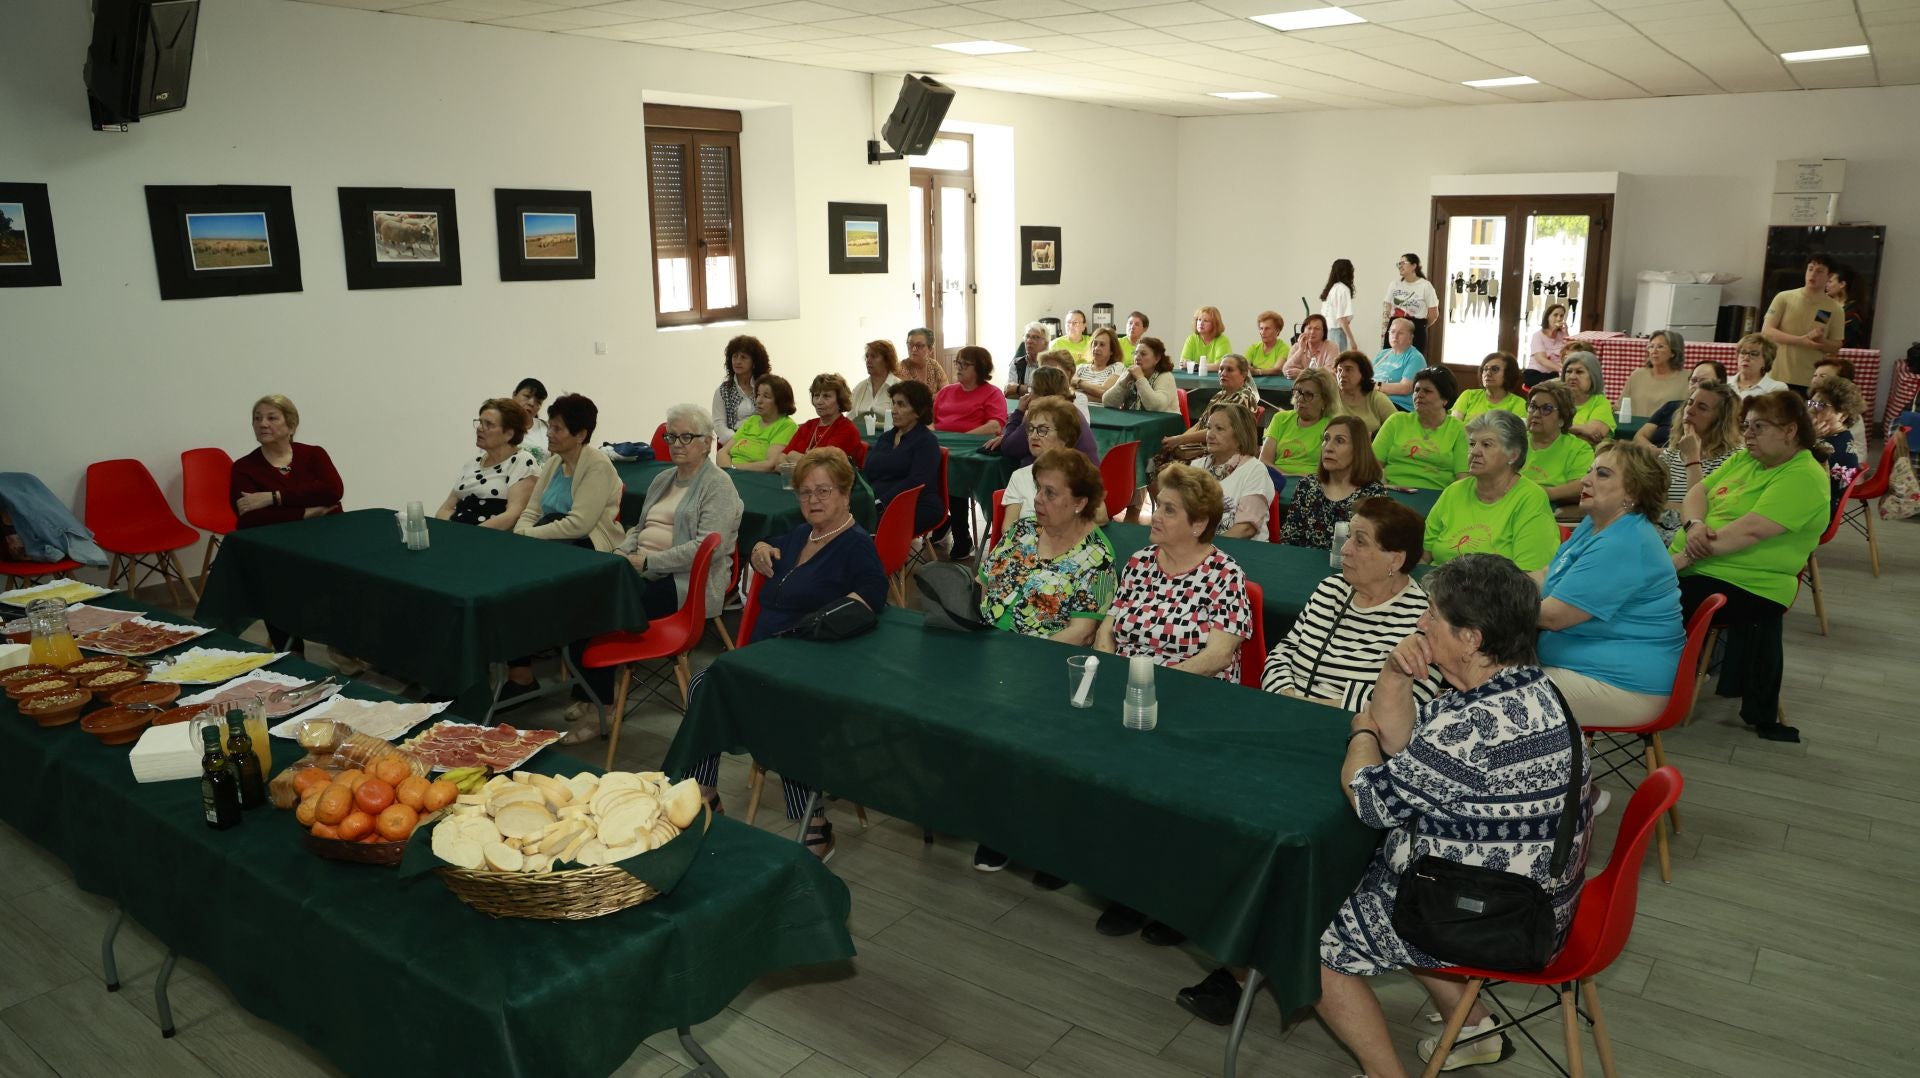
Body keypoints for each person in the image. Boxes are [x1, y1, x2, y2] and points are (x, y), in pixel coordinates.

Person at [1313, 555, 1593, 1078]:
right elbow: (1410, 748)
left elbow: (1371, 799)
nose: (1420, 623)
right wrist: (1394, 672)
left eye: (1433, 616)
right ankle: (1473, 1029)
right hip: (1539, 896)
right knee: (1372, 883)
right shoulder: (1531, 690)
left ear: (1470, 638)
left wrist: (1360, 733)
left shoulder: (1476, 727)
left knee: (1308, 937)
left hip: (1495, 917)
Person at [691, 447, 888, 860]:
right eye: (804, 492)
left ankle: (813, 817)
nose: (813, 500)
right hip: (763, 656)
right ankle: (705, 792)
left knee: (786, 708)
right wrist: (762, 545)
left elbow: (870, 603)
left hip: (812, 665)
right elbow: (774, 546)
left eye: (824, 491)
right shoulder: (802, 534)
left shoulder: (856, 547)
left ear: (846, 493)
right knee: (702, 683)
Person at [569, 403, 743, 744]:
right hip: (638, 569)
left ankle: (599, 701)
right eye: (671, 436)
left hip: (683, 585)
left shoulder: (718, 486)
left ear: (707, 442)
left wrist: (649, 563)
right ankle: (592, 691)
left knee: (599, 610)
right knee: (581, 600)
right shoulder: (663, 478)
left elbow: (705, 549)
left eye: (686, 437)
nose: (676, 443)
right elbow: (639, 527)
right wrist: (620, 554)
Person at [1670, 391, 1832, 742]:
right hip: (1702, 565)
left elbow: (1747, 533)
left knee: (1651, 600)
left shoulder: (1804, 476)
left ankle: (1647, 688)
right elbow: (1696, 494)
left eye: (1758, 426)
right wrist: (1693, 525)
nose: (1748, 435)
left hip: (1750, 585)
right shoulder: (1747, 459)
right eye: (1746, 426)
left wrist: (1681, 558)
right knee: (1631, 577)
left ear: (1790, 431)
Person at [1538, 441, 1684, 729]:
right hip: (1587, 665)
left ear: (1633, 492)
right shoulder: (1596, 525)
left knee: (1490, 692)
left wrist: (1489, 603)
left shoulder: (1624, 542)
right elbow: (1548, 576)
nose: (1586, 480)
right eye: (1590, 470)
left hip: (1626, 686)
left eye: (1602, 474)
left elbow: (1554, 616)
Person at [1262, 497, 1439, 710]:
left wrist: (1311, 706)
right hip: (1284, 708)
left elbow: (1409, 703)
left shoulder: (1425, 620)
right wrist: (1285, 693)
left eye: (1360, 541)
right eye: (1348, 537)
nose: (1345, 548)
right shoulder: (1330, 589)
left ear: (1395, 560)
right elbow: (1283, 652)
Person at [504, 393, 623, 699]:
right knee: (509, 587)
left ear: (580, 434)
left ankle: (526, 667)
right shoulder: (555, 462)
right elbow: (532, 509)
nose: (550, 435)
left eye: (557, 429)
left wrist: (529, 537)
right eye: (551, 427)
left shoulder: (597, 465)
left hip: (590, 548)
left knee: (526, 590)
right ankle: (520, 670)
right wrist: (521, 533)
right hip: (552, 543)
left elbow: (579, 524)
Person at [1096, 462, 1253, 681]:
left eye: (1169, 510)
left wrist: (1150, 682)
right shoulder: (1140, 562)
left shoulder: (1225, 575)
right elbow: (1106, 631)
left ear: (1198, 523)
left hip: (1189, 686)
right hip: (1126, 681)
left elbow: (1219, 656)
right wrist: (1110, 673)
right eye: (1159, 505)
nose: (1156, 515)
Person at [230, 393, 345, 654]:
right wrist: (305, 512)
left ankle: (346, 649)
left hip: (326, 541)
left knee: (358, 579)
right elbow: (249, 519)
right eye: (257, 418)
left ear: (291, 426)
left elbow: (333, 491)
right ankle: (292, 654)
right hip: (278, 548)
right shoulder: (244, 468)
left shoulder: (313, 455)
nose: (262, 424)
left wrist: (273, 498)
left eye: (272, 418)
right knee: (275, 586)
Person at [980, 447, 1116, 643]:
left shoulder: (1097, 558)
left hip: (1038, 654)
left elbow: (1082, 634)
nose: (1037, 498)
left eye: (1050, 493)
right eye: (1038, 488)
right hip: (983, 637)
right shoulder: (1022, 530)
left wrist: (1025, 656)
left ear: (1079, 503)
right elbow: (983, 584)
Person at [1423, 411, 1561, 571]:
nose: (1474, 452)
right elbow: (1424, 556)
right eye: (1472, 444)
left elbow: (1529, 577)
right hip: (1436, 587)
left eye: (1486, 445)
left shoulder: (1530, 498)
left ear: (1513, 455)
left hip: (1495, 593)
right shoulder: (1453, 491)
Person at [1280, 415, 1388, 550]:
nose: (1328, 447)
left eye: (1340, 441)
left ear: (1358, 449)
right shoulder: (1307, 486)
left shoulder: (1373, 494)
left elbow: (1374, 549)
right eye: (1326, 439)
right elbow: (1288, 541)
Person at [1655, 379, 1741, 539]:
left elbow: (1708, 511)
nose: (1690, 411)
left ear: (1720, 419)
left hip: (1697, 537)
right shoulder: (1672, 452)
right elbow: (1650, 503)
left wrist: (1692, 458)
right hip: (1660, 529)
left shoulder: (1734, 457)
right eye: (1690, 403)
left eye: (1702, 408)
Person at [434, 397, 537, 529]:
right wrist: (456, 532)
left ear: (509, 434)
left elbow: (514, 515)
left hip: (490, 539)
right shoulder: (473, 463)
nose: (479, 428)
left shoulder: (522, 461)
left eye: (489, 424)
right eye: (480, 422)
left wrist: (471, 535)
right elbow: (445, 509)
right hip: (458, 533)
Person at [1001, 398, 1104, 523]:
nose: (1033, 436)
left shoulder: (1079, 474)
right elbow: (1008, 529)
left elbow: (1101, 516)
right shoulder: (1020, 476)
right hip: (1029, 542)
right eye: (1031, 429)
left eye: (1042, 430)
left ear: (1064, 437)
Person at [864, 380, 944, 536]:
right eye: (893, 403)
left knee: (865, 526)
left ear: (918, 411)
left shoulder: (926, 441)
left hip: (917, 504)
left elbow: (917, 482)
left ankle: (883, 559)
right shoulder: (886, 437)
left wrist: (881, 502)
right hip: (879, 501)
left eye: (901, 405)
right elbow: (869, 468)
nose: (894, 410)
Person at [1152, 354, 1260, 467]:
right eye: (1221, 369)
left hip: (1222, 451)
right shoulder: (1220, 395)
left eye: (1230, 370)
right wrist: (1176, 441)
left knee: (1168, 467)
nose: (1223, 373)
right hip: (1208, 444)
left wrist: (1179, 440)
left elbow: (1218, 432)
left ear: (1243, 375)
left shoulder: (1243, 397)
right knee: (1164, 453)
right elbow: (1201, 423)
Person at [1371, 367, 1468, 490]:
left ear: (1445, 399)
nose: (1419, 395)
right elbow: (1372, 466)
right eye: (1416, 390)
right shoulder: (1396, 421)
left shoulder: (1457, 429)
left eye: (1427, 391)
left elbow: (1463, 477)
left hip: (1437, 497)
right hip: (1394, 492)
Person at [1761, 254, 1844, 392]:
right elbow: (1767, 331)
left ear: (1829, 276)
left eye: (1819, 271)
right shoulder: (1784, 298)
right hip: (1776, 377)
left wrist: (1822, 341)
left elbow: (1836, 346)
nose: (1813, 274)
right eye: (1810, 269)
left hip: (1812, 382)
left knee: (1809, 412)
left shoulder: (1836, 309)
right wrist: (1800, 340)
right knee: (1772, 413)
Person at [1196, 402, 1274, 541]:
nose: (1210, 435)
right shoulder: (1196, 466)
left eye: (1219, 429)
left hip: (1241, 552)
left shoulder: (1254, 470)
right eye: (1209, 428)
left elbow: (1245, 528)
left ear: (1240, 436)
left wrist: (1205, 549)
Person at [997, 367, 1098, 466]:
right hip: (1086, 474)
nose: (1028, 393)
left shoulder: (1044, 413)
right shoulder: (1070, 409)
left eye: (1031, 388)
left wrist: (1018, 412)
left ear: (1039, 391)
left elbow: (1009, 448)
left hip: (1069, 477)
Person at [1519, 378, 1596, 507]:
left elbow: (1583, 484)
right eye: (1533, 406)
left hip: (1551, 508)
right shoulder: (1514, 440)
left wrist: (1547, 493)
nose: (1536, 414)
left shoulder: (1578, 448)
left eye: (1546, 409)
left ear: (1562, 418)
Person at [773, 373, 866, 469]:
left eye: (826, 396)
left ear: (840, 400)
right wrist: (802, 463)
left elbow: (823, 467)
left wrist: (793, 456)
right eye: (816, 395)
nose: (819, 401)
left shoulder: (847, 429)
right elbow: (779, 460)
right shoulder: (808, 426)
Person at [1261, 367, 1336, 477]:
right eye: (1298, 392)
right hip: (1276, 481)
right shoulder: (1280, 418)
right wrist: (1287, 476)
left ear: (1325, 400)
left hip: (1312, 485)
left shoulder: (1333, 426)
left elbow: (1333, 471)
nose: (1300, 399)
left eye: (1308, 394)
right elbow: (1264, 461)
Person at [1633, 360, 1725, 449]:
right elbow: (1640, 436)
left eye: (1704, 381)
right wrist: (1655, 451)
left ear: (1720, 384)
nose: (1696, 385)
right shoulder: (1671, 407)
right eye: (1693, 380)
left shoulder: (1721, 416)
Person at [717, 374, 798, 471]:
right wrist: (728, 468)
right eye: (758, 395)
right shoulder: (752, 420)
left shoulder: (786, 425)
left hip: (755, 477)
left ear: (780, 401)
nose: (759, 400)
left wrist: (733, 468)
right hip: (732, 473)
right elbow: (723, 452)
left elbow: (770, 465)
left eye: (766, 396)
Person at [1809, 377, 1865, 509]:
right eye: (1812, 403)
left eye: (1821, 406)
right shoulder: (1843, 437)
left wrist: (1809, 439)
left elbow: (1784, 462)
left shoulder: (1828, 448)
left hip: (1814, 514)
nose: (1811, 410)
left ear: (1843, 415)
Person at [934, 346, 1008, 437]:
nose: (958, 367)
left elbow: (994, 427)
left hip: (970, 445)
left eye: (965, 364)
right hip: (939, 443)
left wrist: (959, 439)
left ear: (980, 368)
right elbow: (929, 421)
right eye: (957, 363)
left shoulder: (993, 394)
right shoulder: (945, 391)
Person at [711, 335, 769, 446]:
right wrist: (738, 441)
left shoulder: (767, 386)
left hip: (765, 439)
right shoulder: (723, 391)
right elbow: (719, 424)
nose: (737, 361)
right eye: (735, 356)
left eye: (743, 357)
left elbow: (777, 415)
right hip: (734, 443)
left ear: (754, 362)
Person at [1102, 335, 1179, 413]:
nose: (1137, 357)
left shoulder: (1166, 376)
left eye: (1143, 354)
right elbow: (1108, 402)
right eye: (1135, 353)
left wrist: (1140, 378)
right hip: (1132, 422)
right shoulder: (1128, 374)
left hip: (1163, 423)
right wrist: (1124, 382)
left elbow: (1155, 407)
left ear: (1157, 358)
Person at [1381, 252, 1440, 353]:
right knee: (1390, 360)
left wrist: (1419, 326)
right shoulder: (1394, 284)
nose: (1400, 266)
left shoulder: (1425, 286)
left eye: (1403, 263)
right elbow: (1387, 306)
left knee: (1413, 362)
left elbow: (1433, 314)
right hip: (1395, 325)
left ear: (1414, 266)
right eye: (1399, 264)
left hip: (1415, 328)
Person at [1623, 330, 1689, 418]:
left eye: (1660, 347)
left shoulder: (1688, 378)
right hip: (1635, 429)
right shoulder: (1637, 375)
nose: (1654, 351)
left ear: (1673, 352)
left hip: (1668, 430)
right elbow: (1620, 407)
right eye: (1651, 346)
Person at [1450, 351, 1527, 423]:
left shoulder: (1519, 403)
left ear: (1509, 373)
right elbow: (1454, 427)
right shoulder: (1468, 395)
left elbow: (1517, 435)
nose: (1488, 373)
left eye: (1495, 369)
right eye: (1485, 369)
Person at [1333, 351, 1398, 433]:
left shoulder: (1377, 399)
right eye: (1339, 370)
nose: (1342, 375)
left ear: (1363, 374)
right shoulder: (1331, 397)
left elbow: (1398, 427)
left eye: (1348, 370)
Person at [1811, 358, 1869, 449]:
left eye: (1822, 376)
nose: (1814, 380)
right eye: (1815, 375)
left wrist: (1811, 436)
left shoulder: (1847, 411)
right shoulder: (1815, 399)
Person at [1372, 318, 1426, 410]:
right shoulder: (1382, 354)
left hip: (1397, 405)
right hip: (1374, 399)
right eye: (1392, 332)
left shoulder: (1415, 357)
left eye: (1400, 333)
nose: (1395, 336)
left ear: (1410, 338)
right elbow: (1366, 377)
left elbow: (1405, 388)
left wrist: (1375, 386)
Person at [1563, 349, 1614, 442]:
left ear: (1593, 376)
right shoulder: (1557, 399)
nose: (1572, 377)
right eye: (1569, 371)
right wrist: (1581, 429)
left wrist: (1559, 428)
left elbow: (1594, 432)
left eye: (1579, 372)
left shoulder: (1600, 403)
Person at [852, 340, 902, 428]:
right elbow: (850, 418)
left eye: (874, 356)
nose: (868, 361)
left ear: (887, 360)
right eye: (867, 357)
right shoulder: (859, 388)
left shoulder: (900, 387)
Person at [1073, 326, 1127, 399]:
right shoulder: (1080, 368)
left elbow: (1105, 394)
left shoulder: (1118, 367)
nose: (1096, 348)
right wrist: (1095, 395)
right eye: (1094, 344)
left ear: (1112, 350)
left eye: (1102, 345)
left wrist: (1079, 382)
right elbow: (1068, 393)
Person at [1730, 332, 1788, 399]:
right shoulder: (1724, 383)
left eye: (1754, 354)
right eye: (1743, 352)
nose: (1746, 358)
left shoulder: (1776, 388)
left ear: (1766, 360)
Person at [1525, 302, 1571, 386]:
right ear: (1547, 317)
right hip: (1536, 373)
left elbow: (1571, 353)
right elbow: (1541, 359)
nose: (1558, 318)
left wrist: (1566, 334)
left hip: (1555, 373)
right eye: (1555, 315)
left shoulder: (1563, 335)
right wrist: (1562, 369)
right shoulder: (1537, 335)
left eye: (1561, 316)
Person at [1321, 258, 1359, 353]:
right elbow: (1342, 319)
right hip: (1337, 333)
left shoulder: (1330, 289)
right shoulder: (1343, 289)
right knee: (1339, 363)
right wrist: (1352, 340)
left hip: (1326, 332)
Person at [1180, 305, 1233, 370]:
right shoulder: (1191, 339)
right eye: (1199, 320)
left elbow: (1220, 366)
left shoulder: (1223, 341)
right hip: (1193, 379)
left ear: (1214, 324)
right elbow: (1182, 364)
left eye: (1205, 321)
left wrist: (1194, 366)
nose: (1201, 323)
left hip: (1216, 379)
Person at [1007, 321, 1050, 399]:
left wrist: (1019, 388)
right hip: (1021, 408)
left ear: (1046, 343)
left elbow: (1049, 394)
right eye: (1027, 336)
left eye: (1035, 337)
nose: (1029, 341)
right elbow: (1009, 392)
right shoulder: (1017, 363)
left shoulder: (1052, 365)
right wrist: (1035, 391)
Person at [1826, 262, 1863, 348]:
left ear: (1842, 284)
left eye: (1830, 281)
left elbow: (1840, 340)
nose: (1826, 285)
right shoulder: (1827, 304)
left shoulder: (1853, 313)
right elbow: (1818, 324)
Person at [902, 326, 950, 392]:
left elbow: (946, 391)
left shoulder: (934, 365)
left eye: (919, 345)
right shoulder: (901, 368)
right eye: (910, 344)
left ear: (930, 349)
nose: (913, 349)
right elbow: (909, 398)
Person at [512, 377, 549, 461]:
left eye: (538, 402)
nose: (531, 403)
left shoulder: (546, 428)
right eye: (527, 396)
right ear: (514, 394)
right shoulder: (498, 424)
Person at [1245, 310, 1290, 375]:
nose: (1263, 332)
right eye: (1261, 328)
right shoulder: (1253, 347)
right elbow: (1244, 368)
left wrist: (1257, 372)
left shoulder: (1284, 348)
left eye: (1267, 328)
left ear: (1277, 331)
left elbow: (1277, 370)